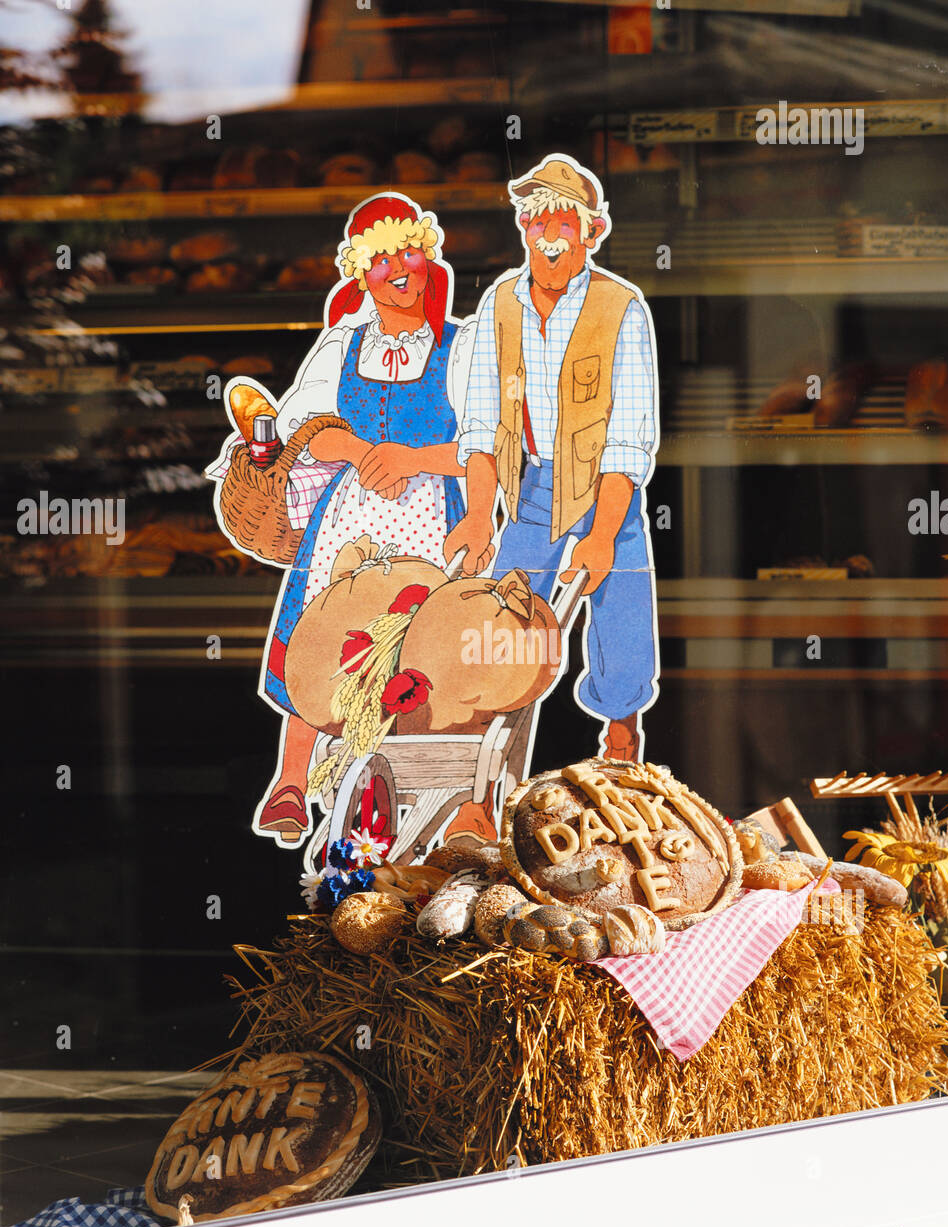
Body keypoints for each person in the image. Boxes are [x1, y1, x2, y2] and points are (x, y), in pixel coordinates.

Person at [208, 193, 476, 848]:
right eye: (380, 259)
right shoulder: (342, 343)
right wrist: (361, 452)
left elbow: (485, 446)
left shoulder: (463, 345)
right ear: (360, 273)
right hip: (346, 518)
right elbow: (304, 429)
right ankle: (293, 781)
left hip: (430, 519)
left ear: (428, 257)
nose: (397, 269)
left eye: (407, 252)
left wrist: (414, 458)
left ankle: (430, 804)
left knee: (419, 650)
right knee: (322, 636)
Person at [443, 155, 660, 842]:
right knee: (501, 628)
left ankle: (622, 753)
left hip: (607, 491)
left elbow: (629, 439)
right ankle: (482, 793)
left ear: (591, 230)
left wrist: (601, 534)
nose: (549, 232)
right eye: (537, 219)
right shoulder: (499, 304)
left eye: (563, 219)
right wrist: (480, 514)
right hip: (532, 487)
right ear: (523, 228)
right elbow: (480, 424)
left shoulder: (620, 306)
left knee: (621, 620)